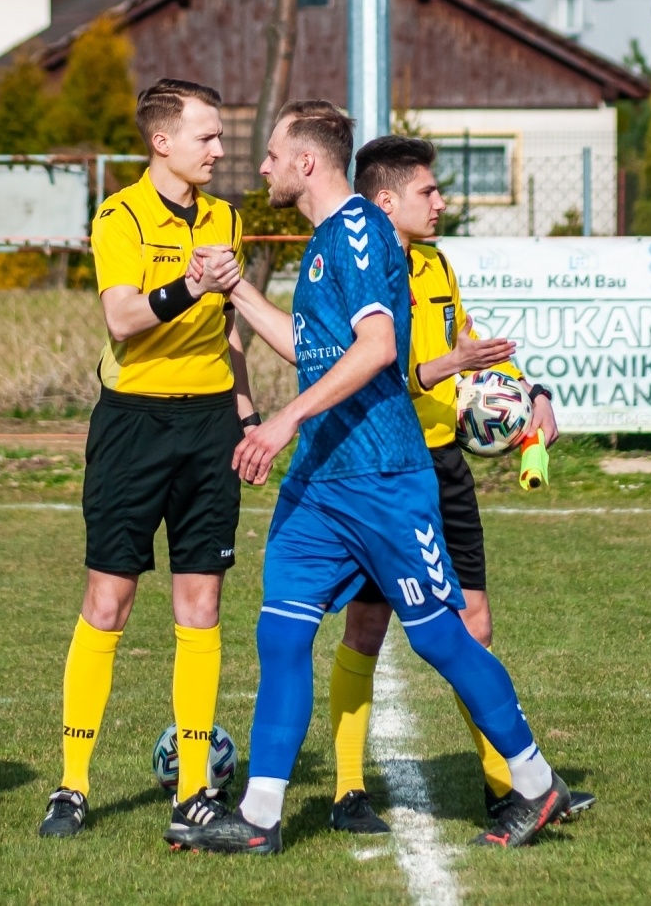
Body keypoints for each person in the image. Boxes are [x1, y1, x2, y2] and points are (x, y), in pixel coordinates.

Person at [166, 101, 575, 855]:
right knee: (280, 631)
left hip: (384, 476)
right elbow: (310, 348)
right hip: (322, 482)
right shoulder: (328, 240)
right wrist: (237, 290)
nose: (261, 167)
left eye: (272, 154)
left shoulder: (356, 231)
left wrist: (283, 421)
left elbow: (379, 348)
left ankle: (534, 779)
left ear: (308, 162)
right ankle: (258, 816)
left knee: (441, 640)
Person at [325, 134, 588, 834]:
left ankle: (510, 785)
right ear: (386, 200)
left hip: (444, 464)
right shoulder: (371, 271)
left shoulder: (438, 263)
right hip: (385, 466)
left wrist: (530, 389)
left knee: (477, 622)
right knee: (368, 625)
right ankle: (348, 790)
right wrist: (451, 365)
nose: (441, 202)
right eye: (428, 191)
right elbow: (389, 374)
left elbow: (465, 335)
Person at [40, 78, 256, 841]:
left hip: (208, 428)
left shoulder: (228, 217)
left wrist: (246, 404)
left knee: (201, 607)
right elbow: (124, 316)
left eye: (222, 135)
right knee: (110, 602)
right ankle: (70, 785)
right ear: (161, 140)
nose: (221, 149)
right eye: (208, 136)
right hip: (132, 425)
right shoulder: (119, 214)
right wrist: (190, 281)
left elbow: (231, 323)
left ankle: (194, 790)